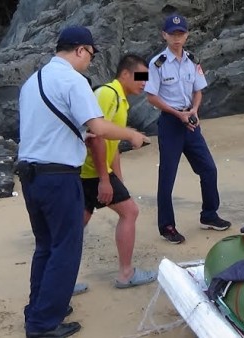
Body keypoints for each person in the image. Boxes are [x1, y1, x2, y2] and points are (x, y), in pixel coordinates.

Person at [17, 26, 148, 338]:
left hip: (29, 175)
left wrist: (80, 135)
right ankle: (43, 325)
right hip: (59, 177)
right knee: (65, 248)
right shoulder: (73, 80)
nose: (90, 62)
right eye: (90, 54)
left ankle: (41, 309)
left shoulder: (32, 81)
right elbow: (99, 127)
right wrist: (131, 135)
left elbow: (45, 128)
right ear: (79, 50)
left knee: (46, 246)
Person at [144, 14, 231, 244]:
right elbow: (150, 97)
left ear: (187, 35)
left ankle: (210, 214)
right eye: (172, 34)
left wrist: (194, 110)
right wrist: (177, 114)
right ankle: (167, 226)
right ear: (164, 35)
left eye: (180, 33)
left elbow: (199, 89)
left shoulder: (193, 60)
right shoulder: (155, 64)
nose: (176, 38)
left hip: (190, 121)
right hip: (171, 123)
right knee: (167, 177)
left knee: (209, 169)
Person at [79, 54, 157, 288]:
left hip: (93, 171)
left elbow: (113, 145)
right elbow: (96, 137)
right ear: (124, 74)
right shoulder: (108, 94)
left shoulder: (120, 100)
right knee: (130, 212)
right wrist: (105, 179)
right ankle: (126, 274)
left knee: (75, 226)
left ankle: (61, 281)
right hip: (91, 171)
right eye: (141, 77)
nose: (144, 83)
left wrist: (117, 179)